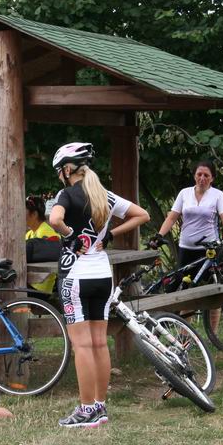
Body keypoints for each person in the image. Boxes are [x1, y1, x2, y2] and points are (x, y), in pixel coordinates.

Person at [48, 142, 150, 427]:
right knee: (99, 343)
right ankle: (100, 406)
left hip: (75, 277)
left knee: (82, 345)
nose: (59, 176)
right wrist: (111, 235)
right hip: (103, 275)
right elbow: (142, 215)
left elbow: (55, 219)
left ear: (67, 169)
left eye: (59, 171)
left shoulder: (66, 194)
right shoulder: (103, 194)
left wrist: (70, 235)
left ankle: (86, 409)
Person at [150, 161, 223, 331]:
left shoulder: (217, 195)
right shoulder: (185, 193)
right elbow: (172, 217)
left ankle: (213, 334)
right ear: (194, 176)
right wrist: (160, 235)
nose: (202, 178)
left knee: (215, 290)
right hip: (186, 248)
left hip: (208, 250)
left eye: (206, 175)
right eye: (199, 174)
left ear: (212, 178)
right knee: (186, 291)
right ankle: (185, 335)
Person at [25, 195, 60, 295]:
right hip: (30, 281)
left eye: (24, 212)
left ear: (34, 214)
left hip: (40, 287)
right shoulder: (29, 233)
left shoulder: (47, 233)